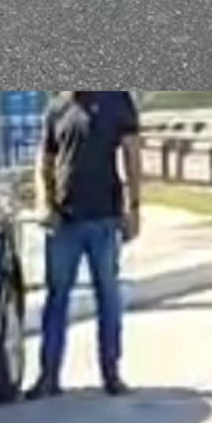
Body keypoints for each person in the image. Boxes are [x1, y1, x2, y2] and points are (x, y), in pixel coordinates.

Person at [28, 92, 142, 399]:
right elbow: (44, 161)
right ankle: (49, 377)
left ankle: (111, 373)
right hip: (64, 221)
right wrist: (44, 202)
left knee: (108, 296)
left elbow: (132, 154)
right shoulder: (57, 107)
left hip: (104, 218)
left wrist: (134, 207)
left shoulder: (117, 100)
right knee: (56, 299)